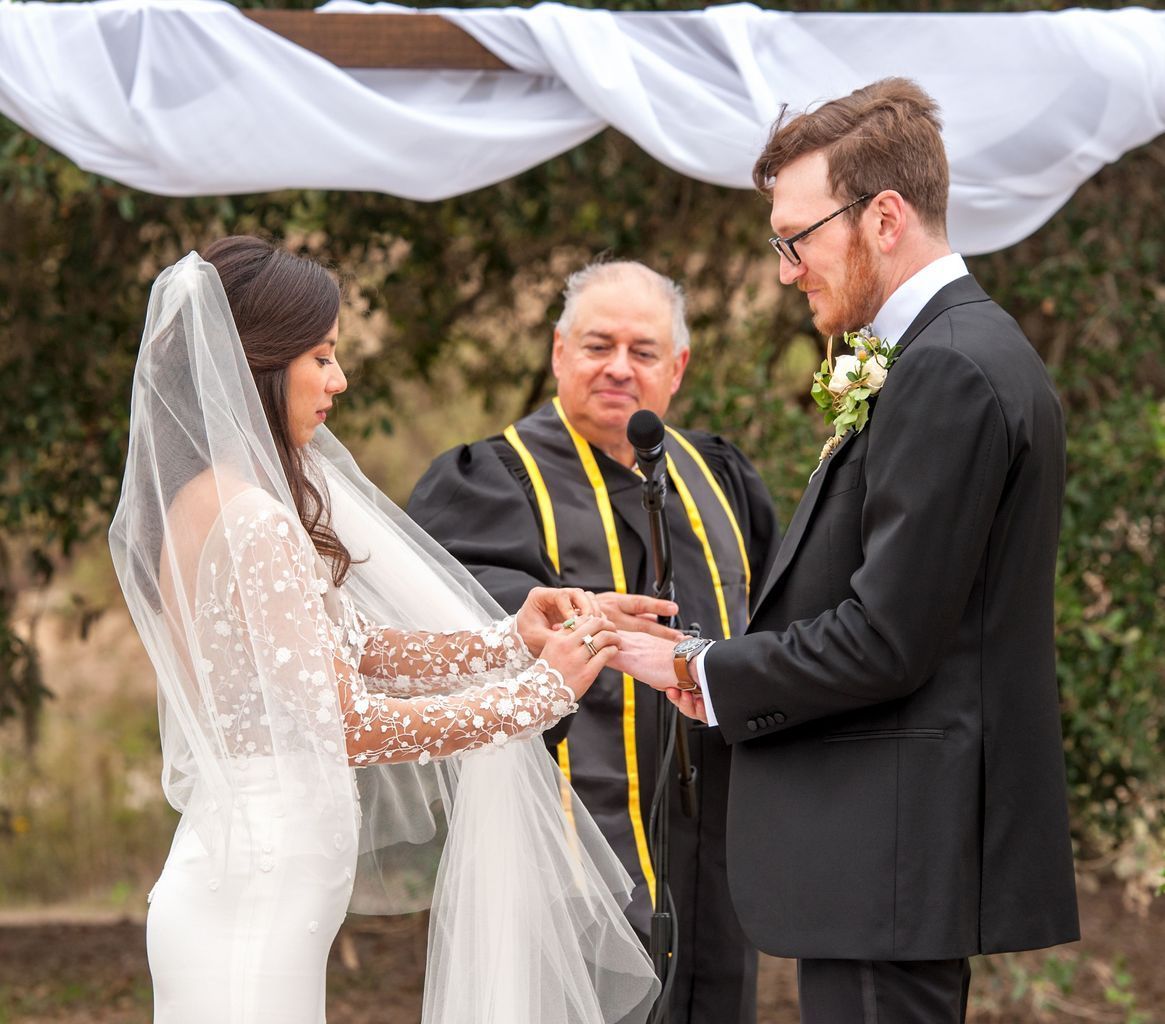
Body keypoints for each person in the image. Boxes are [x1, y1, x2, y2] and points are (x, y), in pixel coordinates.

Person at [615, 79, 1080, 1023]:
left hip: (891, 853)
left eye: (796, 238)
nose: (786, 270)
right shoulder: (948, 353)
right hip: (888, 859)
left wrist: (699, 668)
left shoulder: (949, 367)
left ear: (883, 217)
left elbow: (886, 638)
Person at [108, 236, 660, 1024]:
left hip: (246, 877)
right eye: (321, 357)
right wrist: (533, 699)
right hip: (253, 900)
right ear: (258, 362)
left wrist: (511, 640)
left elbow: (351, 650)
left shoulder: (209, 497)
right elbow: (343, 721)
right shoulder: (254, 518)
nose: (338, 379)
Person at [408, 260, 778, 1024]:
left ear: (676, 368)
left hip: (717, 837)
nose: (618, 368)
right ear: (557, 352)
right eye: (597, 345)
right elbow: (453, 624)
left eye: (642, 351)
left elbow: (774, 622)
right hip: (567, 845)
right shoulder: (492, 479)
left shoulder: (718, 478)